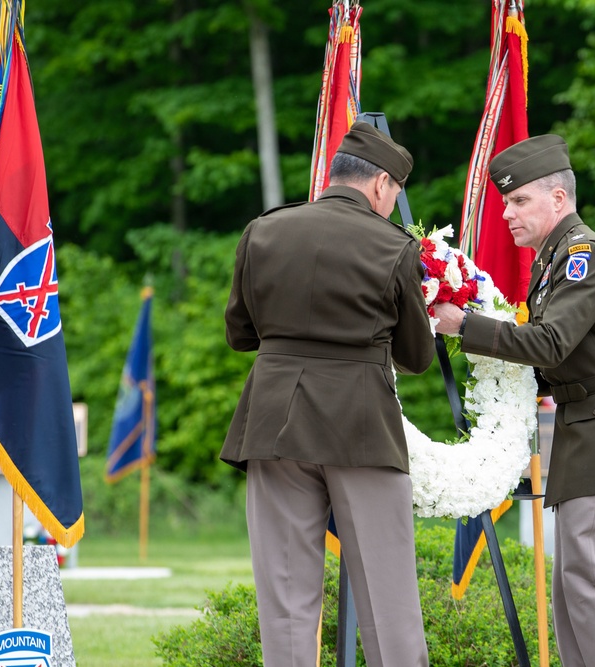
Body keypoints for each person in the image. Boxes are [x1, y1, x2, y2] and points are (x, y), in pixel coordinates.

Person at [434, 134, 595, 667]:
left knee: (588, 582)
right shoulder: (553, 263)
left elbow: (550, 343)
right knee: (571, 592)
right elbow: (559, 363)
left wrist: (464, 325)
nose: (507, 214)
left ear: (559, 199)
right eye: (506, 202)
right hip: (586, 426)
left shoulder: (581, 257)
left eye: (519, 200)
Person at [222, 121, 435, 667]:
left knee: (287, 598)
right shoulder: (394, 246)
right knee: (387, 599)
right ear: (383, 185)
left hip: (274, 422)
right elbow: (415, 356)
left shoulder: (263, 231)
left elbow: (241, 333)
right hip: (360, 425)